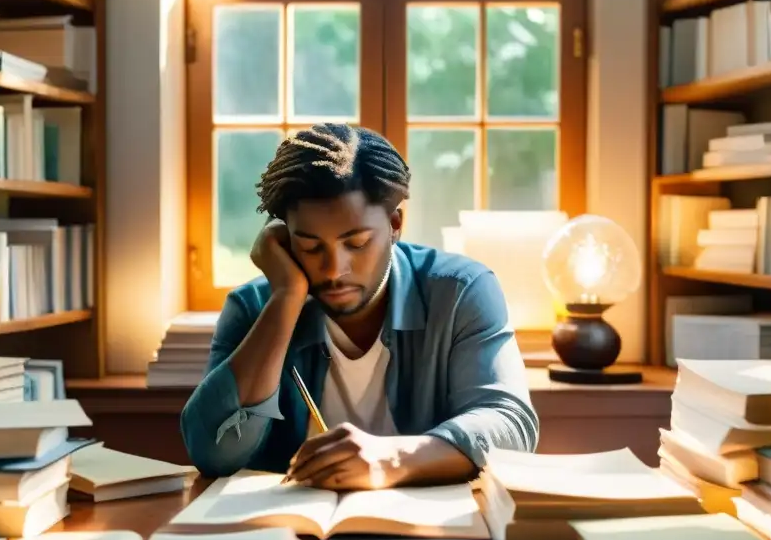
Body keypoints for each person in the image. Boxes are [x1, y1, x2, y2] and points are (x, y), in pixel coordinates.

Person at [180, 123, 538, 490]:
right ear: (285, 238)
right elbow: (211, 453)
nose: (334, 269)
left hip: (430, 532)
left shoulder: (461, 293)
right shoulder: (254, 308)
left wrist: (390, 459)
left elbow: (510, 426)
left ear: (395, 224)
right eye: (310, 246)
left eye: (357, 242)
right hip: (286, 531)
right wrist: (286, 298)